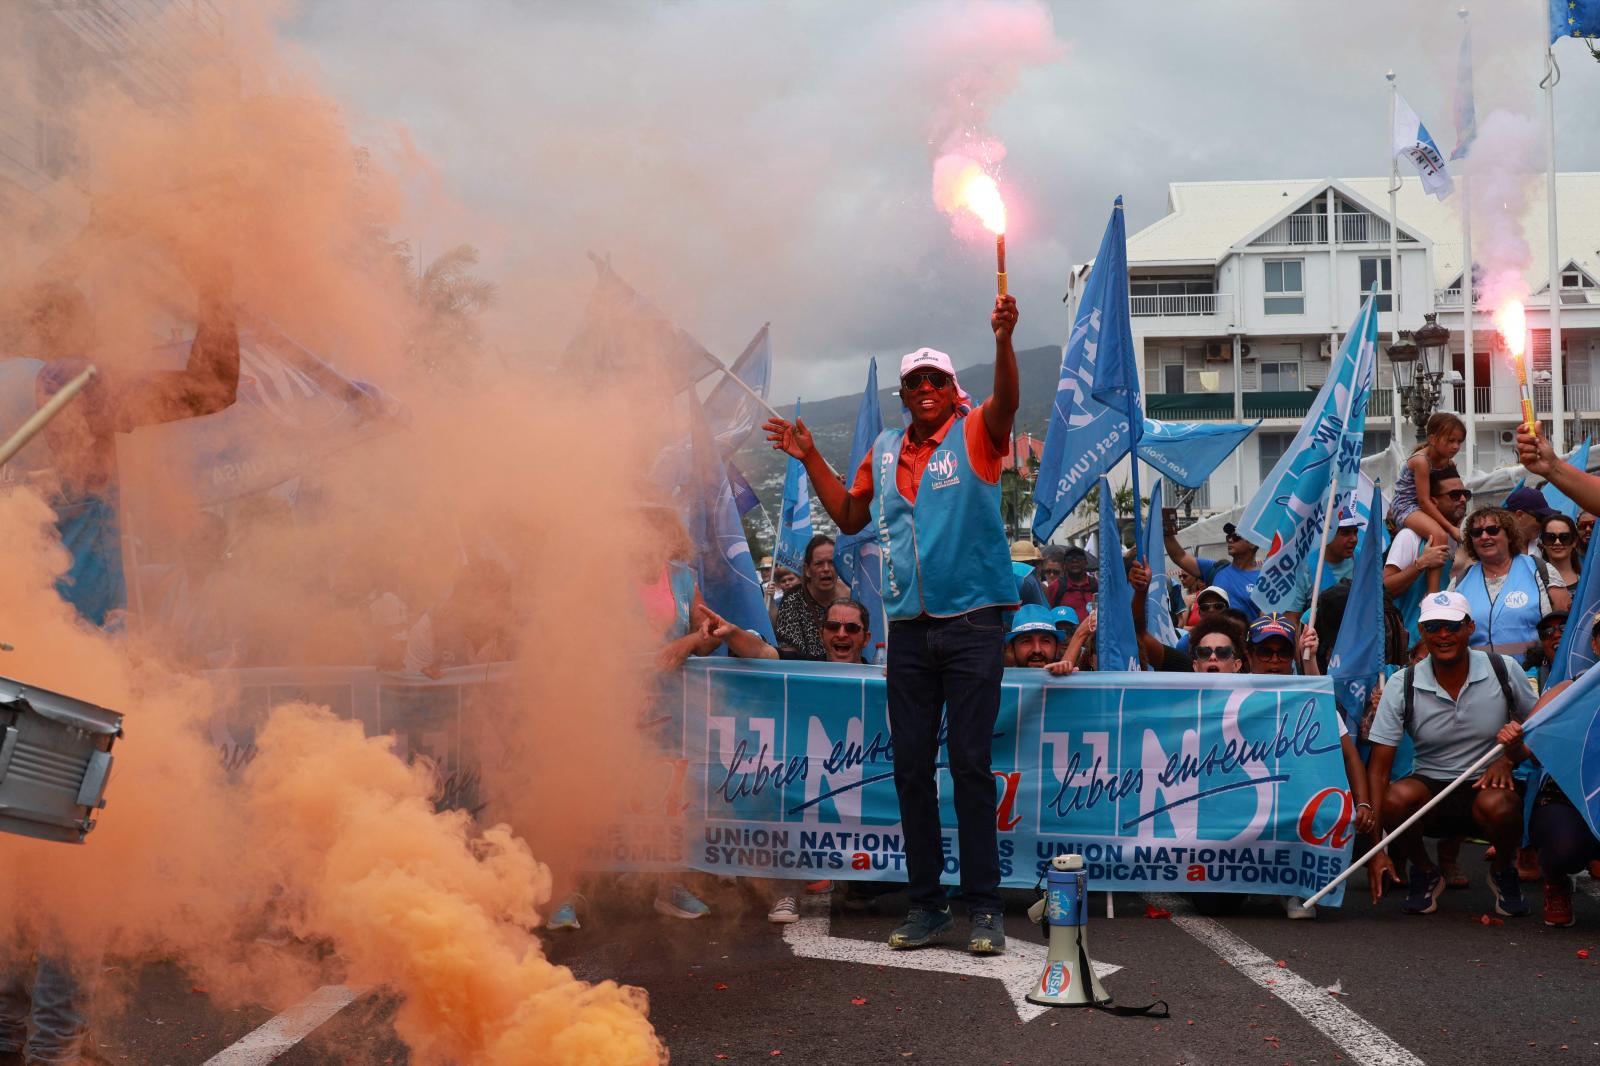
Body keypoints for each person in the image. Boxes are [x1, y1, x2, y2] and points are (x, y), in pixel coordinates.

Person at [764, 293, 1020, 956]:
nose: (927, 389)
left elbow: (1008, 406)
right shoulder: (882, 451)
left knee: (968, 765)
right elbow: (850, 518)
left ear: (953, 389)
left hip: (972, 623)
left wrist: (1003, 340)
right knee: (909, 768)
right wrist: (808, 457)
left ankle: (985, 909)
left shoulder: (974, 433)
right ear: (904, 394)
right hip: (907, 629)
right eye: (916, 383)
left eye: (938, 380)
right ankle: (928, 905)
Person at [1364, 592, 1537, 916]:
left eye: (1452, 626)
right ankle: (1426, 870)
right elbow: (1378, 771)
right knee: (1394, 798)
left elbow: (1540, 734)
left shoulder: (1504, 669)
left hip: (1484, 784)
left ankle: (1502, 870)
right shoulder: (1404, 683)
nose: (1443, 635)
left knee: (1502, 804)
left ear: (1470, 627)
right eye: (1433, 627)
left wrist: (1509, 758)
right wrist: (1377, 849)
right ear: (1422, 631)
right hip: (1430, 788)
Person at [1495, 609, 1600, 926]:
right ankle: (1555, 879)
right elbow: (1527, 753)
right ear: (1595, 646)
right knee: (1563, 847)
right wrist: (1512, 742)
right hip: (1569, 799)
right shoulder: (1567, 693)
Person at [1452, 505, 1570, 656]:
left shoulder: (1541, 571)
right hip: (1480, 675)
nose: (1484, 536)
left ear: (1509, 535)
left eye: (1492, 530)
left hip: (1534, 674)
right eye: (1477, 532)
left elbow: (1566, 626)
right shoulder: (1459, 582)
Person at [1385, 466, 1470, 639]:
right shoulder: (1410, 537)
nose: (1462, 499)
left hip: (1449, 642)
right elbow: (1385, 588)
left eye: (1465, 494)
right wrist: (1420, 564)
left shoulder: (1461, 539)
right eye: (1454, 495)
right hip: (1413, 648)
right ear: (1433, 501)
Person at [1391, 412, 1467, 544]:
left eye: (1459, 441)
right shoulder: (1421, 462)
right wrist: (1450, 528)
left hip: (1428, 503)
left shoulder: (1448, 462)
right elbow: (1424, 502)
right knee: (1439, 536)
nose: (1456, 446)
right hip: (1406, 507)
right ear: (1432, 439)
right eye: (1450, 440)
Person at [1163, 517, 1261, 619]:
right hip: (1214, 633)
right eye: (1228, 537)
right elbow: (1180, 556)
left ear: (1252, 544)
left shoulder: (1264, 580)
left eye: (1236, 537)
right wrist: (1167, 529)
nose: (1230, 540)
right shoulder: (1216, 569)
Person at [1284, 511, 1361, 624]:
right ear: (1326, 534)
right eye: (1345, 533)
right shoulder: (1304, 567)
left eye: (1355, 532)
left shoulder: (1363, 558)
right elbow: (1292, 618)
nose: (1354, 539)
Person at [773, 535, 838, 660]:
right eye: (819, 563)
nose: (826, 569)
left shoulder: (853, 597)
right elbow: (788, 654)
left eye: (832, 562)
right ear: (807, 570)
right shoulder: (792, 600)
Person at [1521, 611, 1568, 693]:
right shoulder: (1532, 678)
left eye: (1564, 627)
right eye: (1547, 631)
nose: (1556, 635)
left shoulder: (1592, 669)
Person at [1003, 604, 1059, 668]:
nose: (1037, 650)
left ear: (1057, 647)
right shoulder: (998, 677)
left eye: (1045, 641)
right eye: (1026, 641)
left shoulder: (1068, 676)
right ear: (1012, 648)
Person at [818, 598, 872, 665]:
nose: (841, 634)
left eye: (852, 627)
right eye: (833, 626)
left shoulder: (878, 674)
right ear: (821, 635)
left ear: (866, 639)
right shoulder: (803, 668)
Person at [1537, 513, 1582, 590]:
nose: (1557, 542)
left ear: (1574, 541)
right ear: (1543, 542)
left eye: (1564, 537)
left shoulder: (1588, 581)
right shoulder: (1532, 580)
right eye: (1550, 538)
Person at [1048, 544, 1096, 616]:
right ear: (1064, 564)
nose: (1074, 560)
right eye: (1070, 558)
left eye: (1079, 558)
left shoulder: (1097, 585)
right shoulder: (1055, 587)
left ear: (1086, 562)